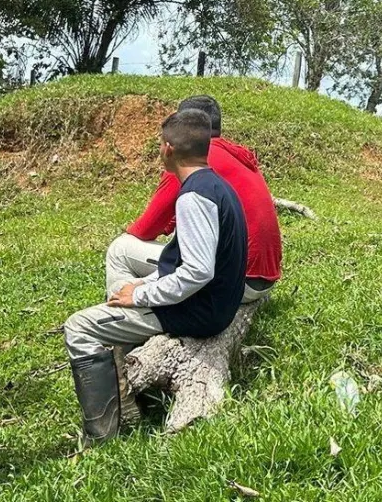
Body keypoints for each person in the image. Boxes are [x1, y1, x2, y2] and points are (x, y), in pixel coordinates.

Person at [63, 109, 248, 447]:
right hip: (214, 302)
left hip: (199, 311)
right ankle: (122, 364)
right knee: (124, 283)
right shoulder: (216, 185)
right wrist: (144, 285)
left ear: (167, 149)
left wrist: (142, 296)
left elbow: (197, 272)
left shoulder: (194, 197)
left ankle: (104, 434)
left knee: (79, 327)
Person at [109, 95, 281, 306]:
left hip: (236, 279)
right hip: (264, 277)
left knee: (121, 249)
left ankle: (121, 311)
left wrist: (131, 229)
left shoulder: (189, 159)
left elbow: (147, 228)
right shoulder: (234, 154)